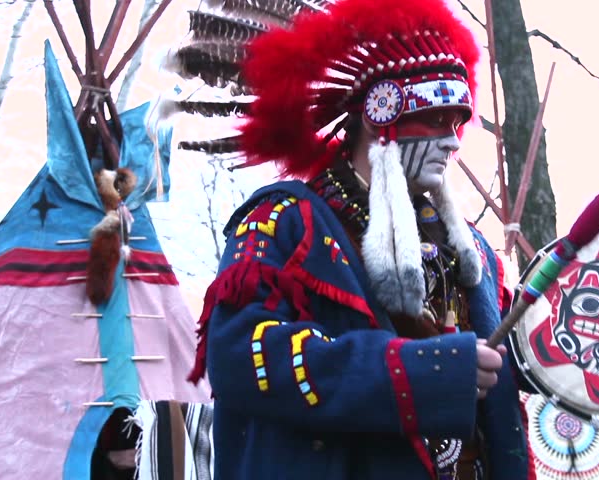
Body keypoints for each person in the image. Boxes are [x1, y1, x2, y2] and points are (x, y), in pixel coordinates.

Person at [180, 0, 536, 478]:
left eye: (457, 124)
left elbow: (513, 367)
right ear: (377, 113)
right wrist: (419, 373)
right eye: (436, 119)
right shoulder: (285, 222)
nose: (453, 141)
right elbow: (240, 358)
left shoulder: (473, 251)